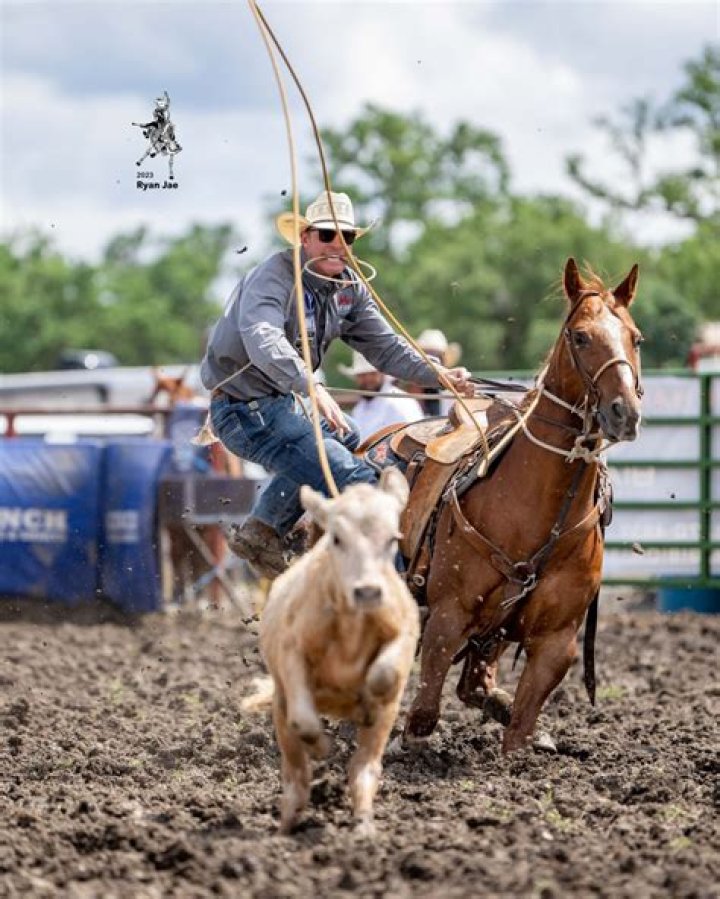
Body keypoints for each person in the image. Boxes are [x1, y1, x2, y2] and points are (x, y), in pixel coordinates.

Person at [200, 190, 472, 578]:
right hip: (245, 411)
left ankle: (263, 527)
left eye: (347, 236)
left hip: (282, 405)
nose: (338, 244)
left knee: (349, 434)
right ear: (305, 237)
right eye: (327, 234)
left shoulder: (349, 288)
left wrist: (437, 375)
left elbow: (386, 347)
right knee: (366, 485)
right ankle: (392, 587)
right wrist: (310, 385)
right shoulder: (272, 278)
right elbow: (262, 336)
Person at [338, 351, 424, 443]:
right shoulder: (359, 409)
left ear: (383, 374)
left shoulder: (401, 402)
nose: (367, 379)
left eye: (372, 374)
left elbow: (415, 438)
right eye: (362, 375)